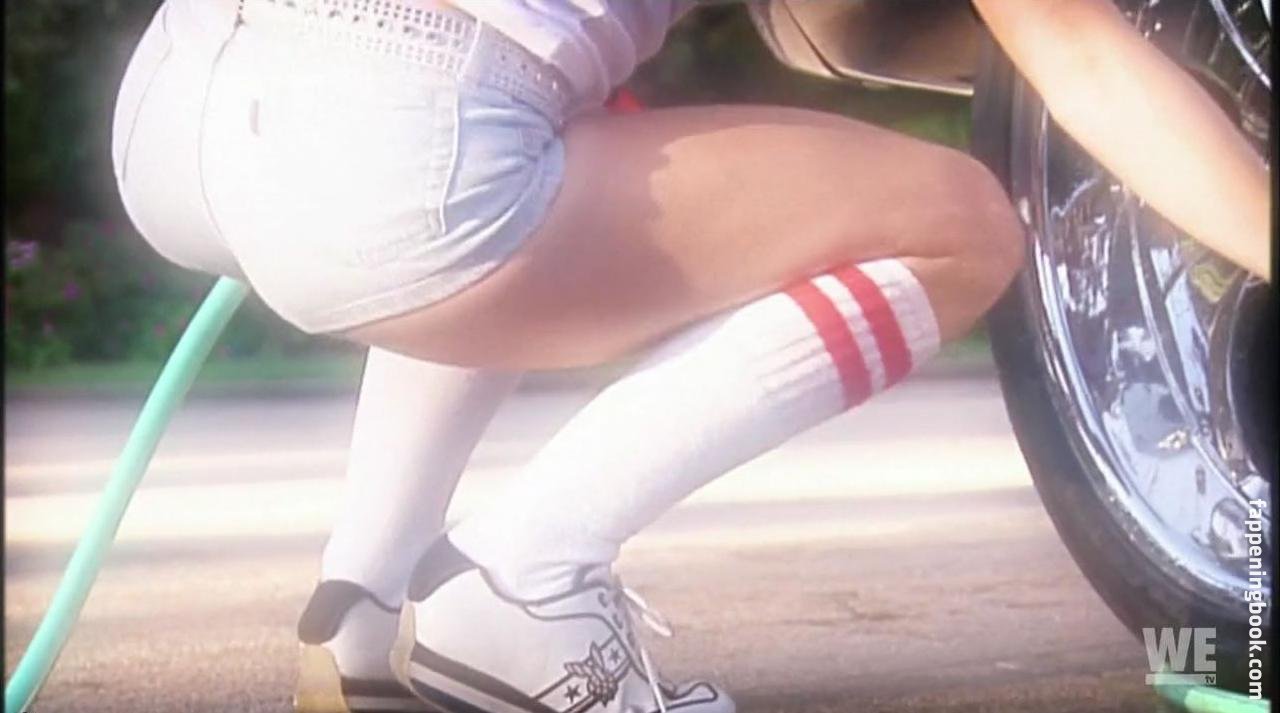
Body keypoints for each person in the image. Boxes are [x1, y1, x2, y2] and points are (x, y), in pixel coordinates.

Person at [108, 0, 1269, 711]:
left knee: (570, 119)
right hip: (391, 150)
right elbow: (1079, 55)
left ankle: (358, 606)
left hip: (179, 106)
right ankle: (524, 580)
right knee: (957, 226)